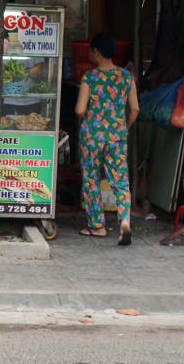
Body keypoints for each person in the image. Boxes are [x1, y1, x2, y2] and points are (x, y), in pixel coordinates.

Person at [74, 33, 140, 245]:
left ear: (97, 52)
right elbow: (135, 109)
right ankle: (125, 224)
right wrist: (123, 127)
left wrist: (88, 120)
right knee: (120, 182)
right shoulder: (126, 77)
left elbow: (80, 109)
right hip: (117, 137)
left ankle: (98, 226)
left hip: (92, 137)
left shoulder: (90, 78)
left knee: (91, 180)